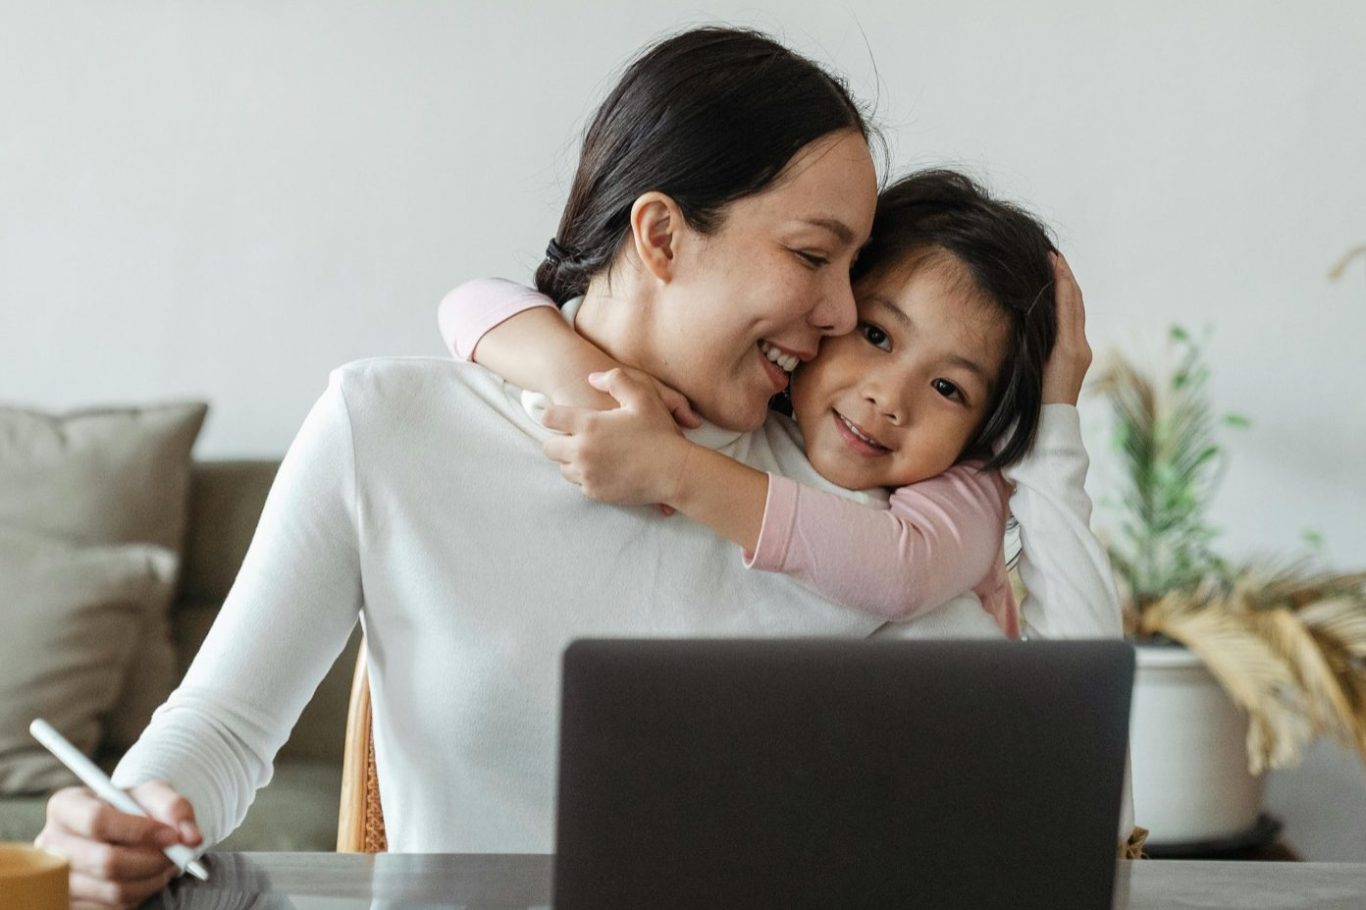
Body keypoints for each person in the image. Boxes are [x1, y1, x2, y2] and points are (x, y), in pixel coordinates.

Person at [37, 27, 1121, 910]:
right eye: (810, 256)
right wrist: (125, 814)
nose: (840, 315)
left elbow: (1062, 787)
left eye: (853, 268)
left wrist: (1056, 426)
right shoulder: (389, 427)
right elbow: (224, 729)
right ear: (660, 235)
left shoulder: (856, 502)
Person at [438, 169, 1079, 638]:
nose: (890, 397)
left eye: (949, 389)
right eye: (876, 335)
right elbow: (469, 301)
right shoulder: (758, 403)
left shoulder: (966, 486)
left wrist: (674, 471)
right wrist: (582, 376)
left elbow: (903, 572)